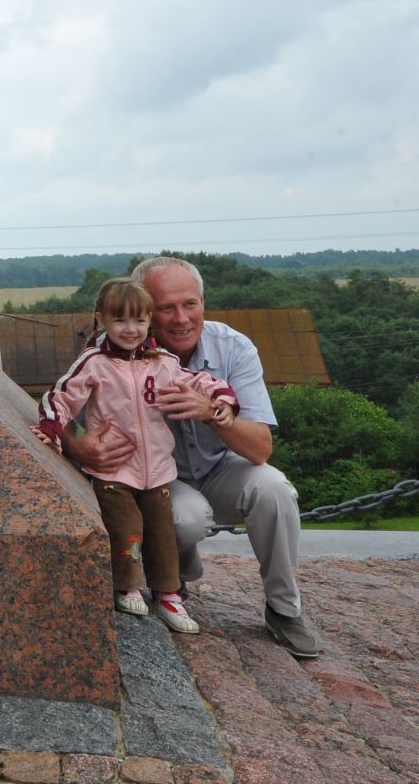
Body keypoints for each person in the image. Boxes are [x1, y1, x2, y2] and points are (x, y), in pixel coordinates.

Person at [59, 256, 323, 658]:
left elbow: (259, 449)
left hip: (220, 468)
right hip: (157, 480)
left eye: (190, 304)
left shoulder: (233, 347)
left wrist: (212, 413)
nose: (181, 318)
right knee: (184, 517)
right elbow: (64, 416)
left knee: (275, 489)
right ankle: (173, 579)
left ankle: (284, 609)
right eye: (165, 307)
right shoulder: (108, 353)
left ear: (203, 302)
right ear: (144, 309)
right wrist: (77, 444)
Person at [36, 277, 238, 634]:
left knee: (162, 533)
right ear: (102, 320)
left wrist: (222, 399)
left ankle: (168, 594)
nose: (131, 330)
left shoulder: (161, 362)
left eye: (139, 321)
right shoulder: (94, 362)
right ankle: (127, 585)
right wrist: (53, 431)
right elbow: (61, 396)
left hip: (157, 471)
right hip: (114, 472)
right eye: (121, 321)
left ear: (148, 322)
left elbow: (198, 380)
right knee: (126, 529)